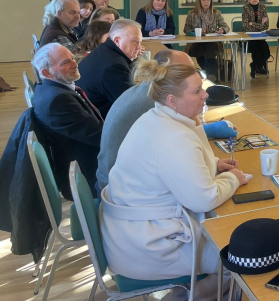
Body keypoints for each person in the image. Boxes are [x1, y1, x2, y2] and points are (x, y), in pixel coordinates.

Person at [100, 60, 251, 300]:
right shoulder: (174, 137)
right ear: (172, 100)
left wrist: (213, 164)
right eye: (197, 91)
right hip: (147, 248)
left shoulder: (156, 117)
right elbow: (204, 198)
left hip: (129, 234)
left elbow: (182, 164)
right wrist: (233, 179)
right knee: (241, 255)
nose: (206, 94)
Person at [96, 49, 195, 191]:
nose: (193, 76)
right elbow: (187, 141)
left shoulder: (145, 88)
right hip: (118, 190)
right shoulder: (157, 101)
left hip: (112, 179)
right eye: (186, 72)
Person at [30, 43, 103, 198]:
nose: (75, 64)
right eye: (65, 62)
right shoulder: (58, 100)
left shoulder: (48, 88)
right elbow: (99, 136)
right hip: (86, 174)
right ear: (46, 72)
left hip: (81, 161)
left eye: (72, 58)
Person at [77, 19, 142, 118]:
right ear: (117, 40)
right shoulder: (114, 67)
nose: (139, 47)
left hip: (88, 112)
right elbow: (131, 106)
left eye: (140, 43)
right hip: (99, 121)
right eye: (135, 42)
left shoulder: (103, 50)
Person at [183, 0, 229, 80]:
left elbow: (225, 26)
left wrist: (222, 30)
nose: (206, 2)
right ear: (199, 1)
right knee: (199, 51)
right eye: (203, 0)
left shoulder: (216, 13)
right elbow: (186, 29)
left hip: (211, 41)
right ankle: (212, 75)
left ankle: (209, 76)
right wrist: (196, 32)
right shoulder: (192, 14)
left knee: (210, 50)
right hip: (196, 42)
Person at [241, 0, 271, 79]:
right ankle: (257, 67)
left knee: (267, 53)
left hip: (260, 37)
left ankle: (254, 65)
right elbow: (246, 26)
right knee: (257, 51)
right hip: (248, 37)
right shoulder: (245, 8)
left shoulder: (263, 7)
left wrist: (252, 24)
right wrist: (260, 24)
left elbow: (266, 26)